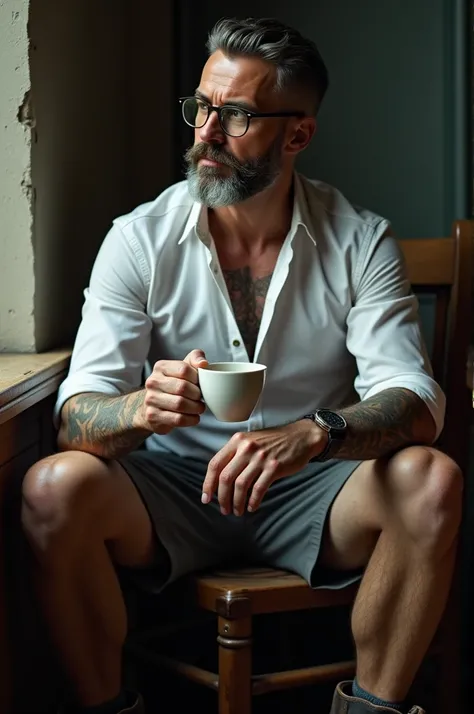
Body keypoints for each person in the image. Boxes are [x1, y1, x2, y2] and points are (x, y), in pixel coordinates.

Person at [21, 16, 461, 714]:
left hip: (312, 491)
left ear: (297, 135)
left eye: (237, 115)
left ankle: (371, 711)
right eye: (201, 107)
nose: (205, 133)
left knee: (431, 480)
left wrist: (316, 433)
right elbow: (77, 414)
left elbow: (413, 395)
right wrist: (139, 409)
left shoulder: (360, 241)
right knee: (52, 488)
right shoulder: (138, 241)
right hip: (168, 492)